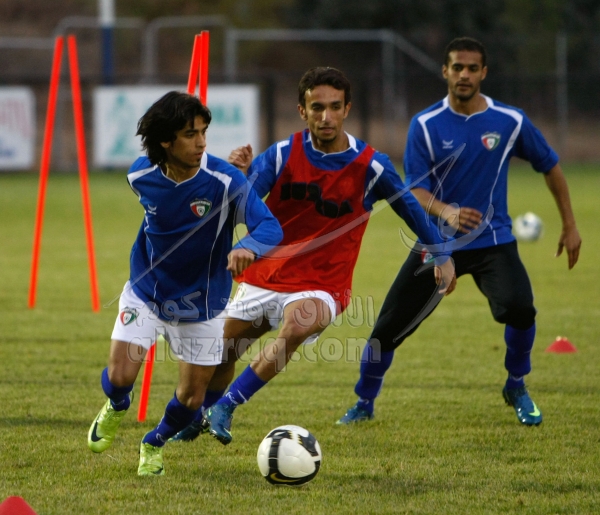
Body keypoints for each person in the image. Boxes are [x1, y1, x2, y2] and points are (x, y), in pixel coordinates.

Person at [171, 66, 456, 446]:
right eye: (317, 107)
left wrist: (441, 253)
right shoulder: (280, 155)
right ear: (302, 111)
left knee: (296, 326)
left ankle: (227, 405)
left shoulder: (371, 166)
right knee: (222, 352)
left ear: (347, 109)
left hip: (324, 283)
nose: (326, 116)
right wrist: (239, 175)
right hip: (266, 275)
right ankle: (202, 416)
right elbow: (241, 209)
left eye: (335, 107)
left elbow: (411, 210)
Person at [337, 37, 582, 427]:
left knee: (521, 310)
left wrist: (569, 225)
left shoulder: (510, 120)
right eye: (456, 67)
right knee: (387, 329)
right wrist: (447, 211)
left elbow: (550, 166)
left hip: (493, 241)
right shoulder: (426, 124)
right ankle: (364, 402)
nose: (464, 74)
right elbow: (415, 190)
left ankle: (516, 386)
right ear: (445, 72)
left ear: (483, 72)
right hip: (438, 242)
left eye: (471, 68)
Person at [86, 91, 282, 475]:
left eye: (204, 132)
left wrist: (247, 246)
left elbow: (269, 226)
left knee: (192, 399)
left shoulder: (226, 181)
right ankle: (117, 405)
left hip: (202, 303)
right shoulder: (139, 176)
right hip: (147, 291)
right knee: (120, 377)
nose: (202, 142)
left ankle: (153, 443)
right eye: (191, 134)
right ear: (165, 141)